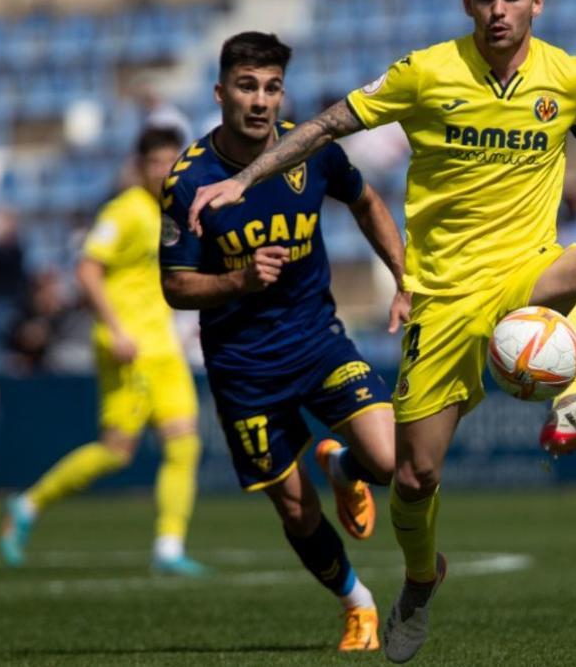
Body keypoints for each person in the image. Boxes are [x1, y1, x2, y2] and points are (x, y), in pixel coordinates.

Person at [184, 0, 576, 662]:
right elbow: (324, 125)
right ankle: (422, 581)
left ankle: (574, 400)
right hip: (444, 300)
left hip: (527, 272)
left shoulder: (568, 78)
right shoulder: (425, 72)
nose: (498, 8)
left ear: (537, 2)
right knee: (413, 479)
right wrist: (245, 179)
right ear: (466, 2)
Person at [160, 33, 404, 652]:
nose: (261, 101)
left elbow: (367, 201)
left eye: (272, 87)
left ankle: (341, 463)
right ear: (220, 94)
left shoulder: (311, 148)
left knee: (390, 462)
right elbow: (175, 286)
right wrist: (238, 279)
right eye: (247, 86)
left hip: (318, 343)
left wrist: (406, 279)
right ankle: (358, 604)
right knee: (296, 511)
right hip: (244, 369)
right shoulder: (187, 181)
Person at [0, 128, 207, 576]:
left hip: (164, 346)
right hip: (128, 345)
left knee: (185, 444)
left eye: (173, 161)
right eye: (156, 162)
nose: (165, 170)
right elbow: (87, 269)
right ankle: (28, 503)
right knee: (116, 451)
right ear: (139, 166)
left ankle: (169, 547)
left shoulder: (171, 210)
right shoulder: (126, 211)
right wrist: (115, 330)